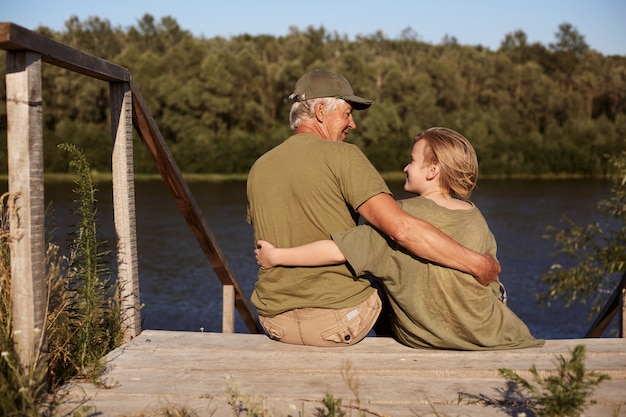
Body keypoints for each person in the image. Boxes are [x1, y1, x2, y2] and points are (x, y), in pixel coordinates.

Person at [246, 69, 501, 347]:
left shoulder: (260, 166)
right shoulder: (344, 156)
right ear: (320, 111)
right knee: (391, 266)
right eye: (346, 113)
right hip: (338, 322)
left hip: (274, 322)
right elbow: (401, 229)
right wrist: (477, 264)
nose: (352, 123)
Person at [255, 127, 544, 350]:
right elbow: (489, 276)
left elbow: (336, 250)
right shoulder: (474, 215)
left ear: (433, 170)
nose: (406, 166)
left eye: (412, 160)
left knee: (374, 279)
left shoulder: (400, 215)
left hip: (425, 339)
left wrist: (276, 256)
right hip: (489, 332)